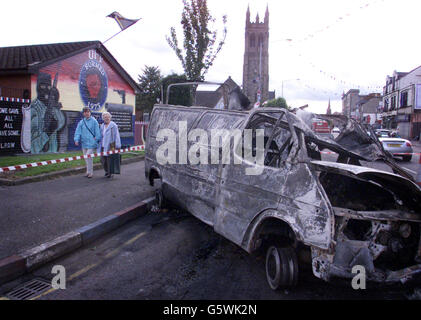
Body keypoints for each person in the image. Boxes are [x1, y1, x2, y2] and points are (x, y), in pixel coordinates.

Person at [74, 107, 101, 178]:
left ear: (90, 113)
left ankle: (91, 172)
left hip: (92, 143)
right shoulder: (81, 122)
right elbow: (78, 131)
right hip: (84, 143)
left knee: (89, 156)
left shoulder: (94, 121)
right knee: (86, 158)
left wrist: (97, 138)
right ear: (83, 113)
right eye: (85, 112)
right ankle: (87, 171)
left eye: (88, 112)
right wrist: (76, 139)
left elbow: (97, 131)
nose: (87, 113)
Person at [97, 112, 121, 178]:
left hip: (111, 144)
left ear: (110, 118)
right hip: (103, 145)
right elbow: (100, 136)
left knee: (110, 159)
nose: (106, 118)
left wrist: (118, 145)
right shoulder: (102, 126)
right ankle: (107, 171)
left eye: (108, 117)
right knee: (102, 160)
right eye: (105, 117)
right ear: (103, 118)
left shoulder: (113, 125)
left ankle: (110, 172)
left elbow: (117, 135)